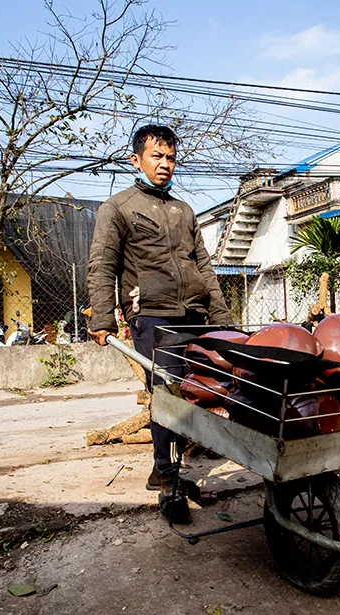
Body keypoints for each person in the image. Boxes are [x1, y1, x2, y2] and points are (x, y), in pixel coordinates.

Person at [87, 124, 234, 505]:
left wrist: (220, 314)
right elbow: (102, 265)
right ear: (136, 160)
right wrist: (102, 318)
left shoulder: (183, 211)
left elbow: (203, 265)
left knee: (200, 388)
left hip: (195, 314)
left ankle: (167, 464)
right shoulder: (117, 208)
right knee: (167, 391)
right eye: (157, 156)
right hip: (153, 316)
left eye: (170, 157)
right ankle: (167, 476)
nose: (165, 163)